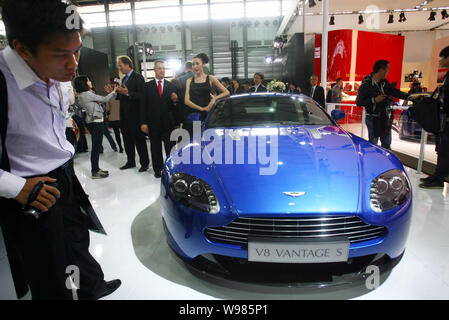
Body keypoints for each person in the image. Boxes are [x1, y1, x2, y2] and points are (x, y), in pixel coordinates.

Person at [0, 0, 120, 300]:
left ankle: (92, 288)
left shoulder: (54, 73)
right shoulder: (4, 82)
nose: (73, 63)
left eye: (77, 50)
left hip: (64, 175)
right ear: (23, 49)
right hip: (31, 188)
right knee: (49, 270)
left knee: (77, 240)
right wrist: (18, 187)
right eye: (62, 55)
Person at [140, 61, 181, 178]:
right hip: (153, 123)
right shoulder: (147, 86)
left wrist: (175, 101)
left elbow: (176, 107)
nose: (162, 70)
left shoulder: (171, 86)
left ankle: (171, 168)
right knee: (155, 148)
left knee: (170, 148)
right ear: (154, 70)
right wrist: (143, 122)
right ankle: (157, 169)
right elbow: (143, 106)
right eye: (159, 68)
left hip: (168, 123)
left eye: (163, 68)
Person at [356, 60, 408, 150]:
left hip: (384, 117)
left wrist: (408, 96)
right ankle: (373, 162)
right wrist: (374, 100)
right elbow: (359, 102)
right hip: (372, 118)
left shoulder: (384, 82)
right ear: (381, 70)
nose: (388, 72)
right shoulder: (367, 83)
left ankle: (387, 162)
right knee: (373, 144)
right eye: (387, 69)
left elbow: (394, 91)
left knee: (387, 144)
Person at [113, 56, 150, 172]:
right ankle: (130, 161)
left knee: (139, 141)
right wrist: (115, 93)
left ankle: (144, 163)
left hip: (135, 116)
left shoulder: (138, 78)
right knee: (127, 140)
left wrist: (128, 93)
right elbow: (122, 96)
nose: (119, 68)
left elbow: (142, 96)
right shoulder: (123, 79)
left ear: (127, 65)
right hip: (124, 116)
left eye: (120, 65)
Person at [75, 76, 116, 179]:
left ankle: (96, 169)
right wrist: (113, 91)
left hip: (94, 122)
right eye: (88, 80)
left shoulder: (83, 94)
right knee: (96, 147)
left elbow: (99, 101)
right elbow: (105, 99)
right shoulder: (87, 94)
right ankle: (95, 171)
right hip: (95, 122)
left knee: (96, 147)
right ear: (84, 83)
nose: (90, 81)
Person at [419, 46, 449, 189]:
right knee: (442, 148)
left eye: (443, 57)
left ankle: (439, 177)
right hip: (444, 120)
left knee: (444, 149)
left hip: (447, 120)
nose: (440, 61)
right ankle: (438, 175)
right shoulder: (447, 76)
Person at [184, 53, 230, 136]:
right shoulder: (189, 80)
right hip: (194, 115)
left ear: (203, 65)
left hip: (208, 114)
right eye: (193, 64)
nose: (195, 66)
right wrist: (201, 108)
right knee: (196, 141)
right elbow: (186, 101)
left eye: (197, 64)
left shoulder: (210, 78)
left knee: (209, 140)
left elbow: (226, 92)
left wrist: (214, 99)